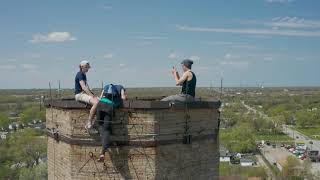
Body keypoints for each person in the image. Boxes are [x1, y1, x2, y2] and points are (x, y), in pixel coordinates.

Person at [95, 84, 127, 162]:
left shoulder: (106, 86)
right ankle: (103, 152)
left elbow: (100, 97)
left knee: (99, 124)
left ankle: (94, 128)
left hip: (100, 104)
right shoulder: (121, 87)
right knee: (106, 130)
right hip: (109, 107)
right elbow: (123, 97)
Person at [74, 60, 100, 131]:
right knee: (96, 102)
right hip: (79, 94)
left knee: (99, 101)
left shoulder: (84, 75)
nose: (88, 69)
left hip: (84, 93)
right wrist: (92, 96)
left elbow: (87, 87)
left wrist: (94, 95)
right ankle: (89, 124)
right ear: (82, 67)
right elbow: (84, 87)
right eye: (86, 67)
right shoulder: (79, 74)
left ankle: (97, 123)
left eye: (88, 67)